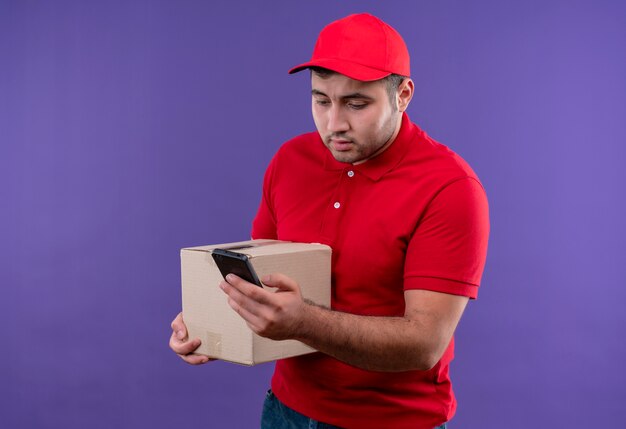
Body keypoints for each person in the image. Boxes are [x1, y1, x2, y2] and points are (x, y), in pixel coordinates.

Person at [170, 13, 489, 429]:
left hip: (394, 422)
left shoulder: (450, 187)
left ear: (403, 94)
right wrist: (213, 321)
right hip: (285, 412)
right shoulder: (290, 161)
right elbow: (261, 282)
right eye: (321, 100)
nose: (334, 124)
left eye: (356, 104)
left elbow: (424, 343)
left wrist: (304, 320)